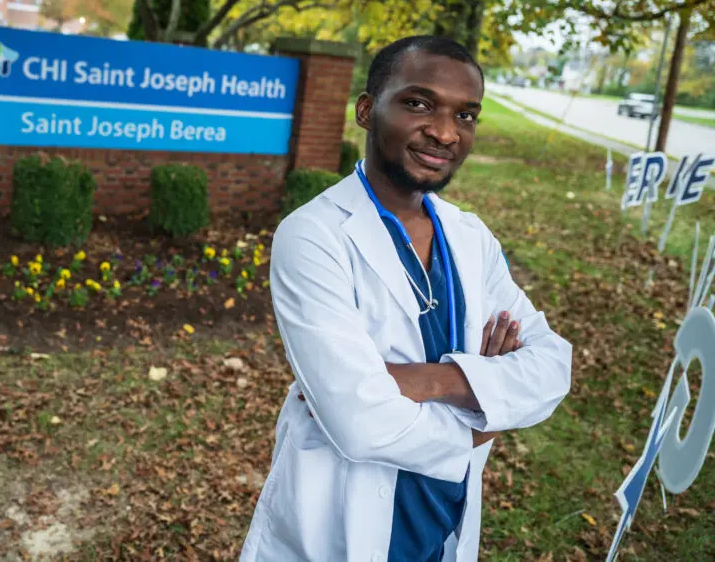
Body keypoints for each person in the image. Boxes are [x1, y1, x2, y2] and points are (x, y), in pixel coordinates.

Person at [240, 36, 573, 562]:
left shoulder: (470, 236)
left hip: (443, 522)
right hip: (341, 523)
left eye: (466, 116)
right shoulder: (313, 235)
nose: (444, 132)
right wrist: (488, 411)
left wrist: (428, 380)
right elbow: (360, 423)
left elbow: (553, 365)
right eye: (419, 104)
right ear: (367, 110)